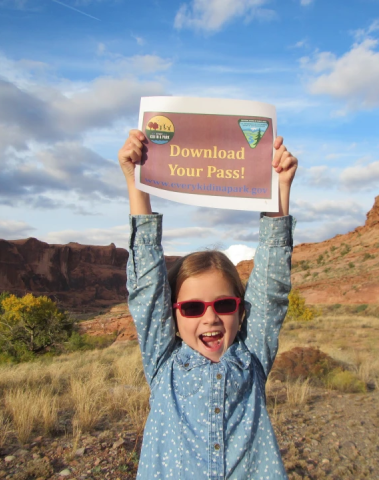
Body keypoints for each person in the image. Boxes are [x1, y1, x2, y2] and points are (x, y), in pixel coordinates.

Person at [118, 128, 297, 479]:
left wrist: (280, 188)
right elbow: (146, 287)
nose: (211, 318)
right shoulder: (162, 364)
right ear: (173, 314)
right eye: (193, 308)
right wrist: (135, 180)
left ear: (241, 310)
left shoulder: (252, 358)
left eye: (224, 305)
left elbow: (272, 289)